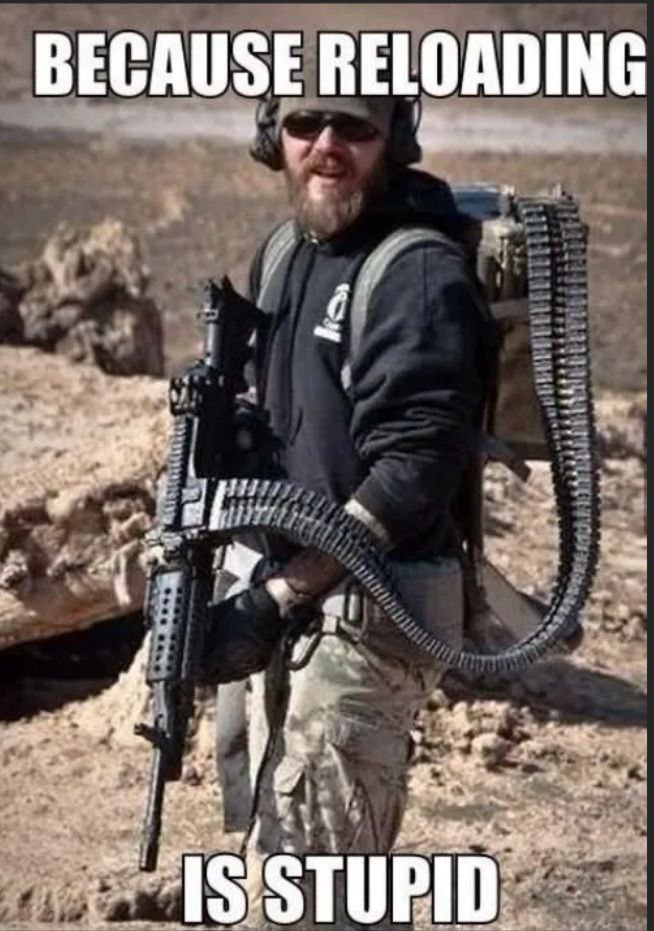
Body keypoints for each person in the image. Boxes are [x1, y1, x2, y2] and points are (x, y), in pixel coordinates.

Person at [201, 62, 494, 929]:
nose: (326, 146)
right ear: (274, 137)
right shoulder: (284, 251)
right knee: (283, 848)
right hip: (295, 597)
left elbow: (413, 473)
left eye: (354, 128)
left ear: (392, 143)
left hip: (371, 609)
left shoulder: (418, 274)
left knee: (325, 883)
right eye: (306, 124)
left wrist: (281, 594)